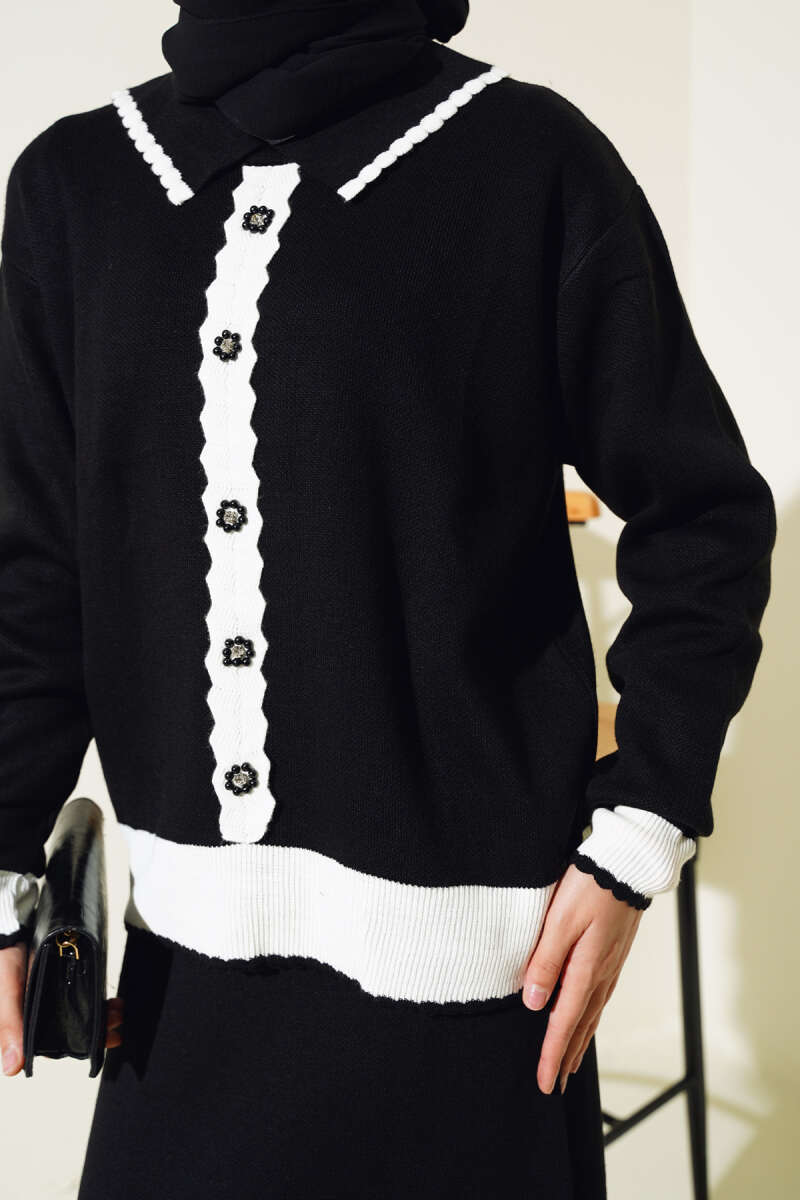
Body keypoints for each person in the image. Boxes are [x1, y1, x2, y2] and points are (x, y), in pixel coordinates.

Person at [0, 2, 776, 1196]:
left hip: (477, 995)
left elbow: (702, 517)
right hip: (183, 984)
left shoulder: (526, 159)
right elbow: (35, 565)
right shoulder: (76, 184)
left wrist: (637, 834)